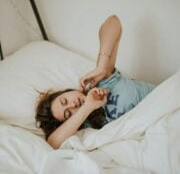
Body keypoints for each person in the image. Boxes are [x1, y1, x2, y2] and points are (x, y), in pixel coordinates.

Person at [35, 15, 156, 149]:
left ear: (67, 91)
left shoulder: (101, 82)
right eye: (68, 113)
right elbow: (53, 143)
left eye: (65, 101)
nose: (73, 104)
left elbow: (113, 22)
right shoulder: (88, 128)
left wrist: (101, 67)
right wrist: (87, 107)